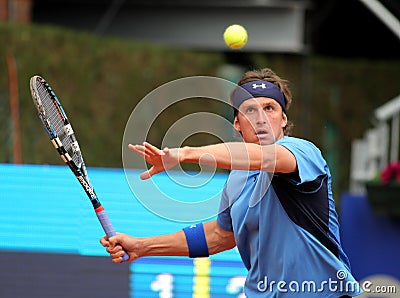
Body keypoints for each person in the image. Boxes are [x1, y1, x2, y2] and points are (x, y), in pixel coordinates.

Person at [100, 68, 362, 297]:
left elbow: (263, 157)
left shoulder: (301, 153)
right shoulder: (237, 179)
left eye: (269, 108)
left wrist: (184, 153)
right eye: (250, 109)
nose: (260, 118)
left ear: (283, 119)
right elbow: (219, 236)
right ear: (237, 123)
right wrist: (142, 246)